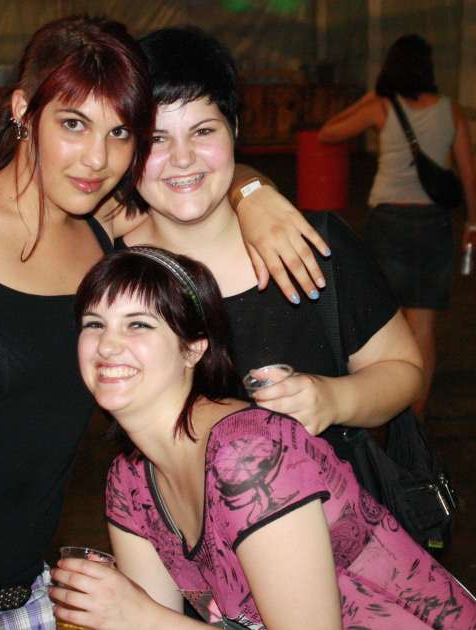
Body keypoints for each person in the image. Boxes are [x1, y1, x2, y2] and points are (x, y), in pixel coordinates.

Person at [0, 16, 344, 630]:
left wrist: (255, 195)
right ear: (23, 111)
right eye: (73, 124)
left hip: (27, 602)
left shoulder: (101, 231)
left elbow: (197, 188)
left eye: (120, 132)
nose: (97, 158)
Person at [50, 246, 476, 629]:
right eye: (94, 324)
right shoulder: (130, 482)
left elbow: (147, 619)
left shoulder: (248, 455)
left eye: (138, 325)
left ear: (193, 348)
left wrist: (141, 616)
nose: (107, 345)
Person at [115, 27, 423, 455]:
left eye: (203, 131)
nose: (182, 158)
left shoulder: (313, 244)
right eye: (156, 139)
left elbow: (403, 368)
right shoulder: (109, 267)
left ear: (234, 129)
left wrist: (333, 399)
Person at [318, 34, 476, 419]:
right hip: (433, 224)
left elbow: (328, 132)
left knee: (382, 320)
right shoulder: (451, 110)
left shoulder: (381, 107)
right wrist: (474, 223)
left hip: (388, 224)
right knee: (423, 325)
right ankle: (416, 418)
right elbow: (469, 174)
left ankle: (386, 402)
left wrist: (366, 99)